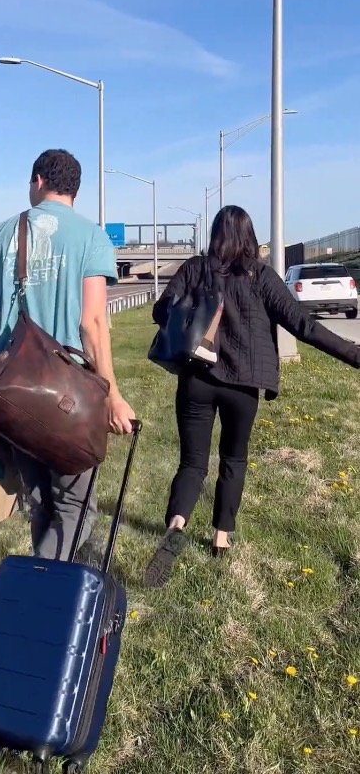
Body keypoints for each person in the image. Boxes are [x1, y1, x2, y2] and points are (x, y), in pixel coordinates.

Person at [144, 204, 360, 589]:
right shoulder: (261, 277)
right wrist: (353, 354)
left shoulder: (195, 268)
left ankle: (176, 524)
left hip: (196, 379)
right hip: (242, 386)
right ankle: (221, 538)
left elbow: (162, 311)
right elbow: (303, 324)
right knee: (234, 458)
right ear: (249, 236)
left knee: (192, 462)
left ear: (214, 234)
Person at [0, 148, 135, 561]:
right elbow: (93, 322)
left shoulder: (2, 234)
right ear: (74, 189)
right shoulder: (90, 236)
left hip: (13, 391)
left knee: (39, 499)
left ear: (38, 180)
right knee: (74, 503)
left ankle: (43, 578)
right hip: (69, 396)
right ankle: (48, 585)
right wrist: (111, 394)